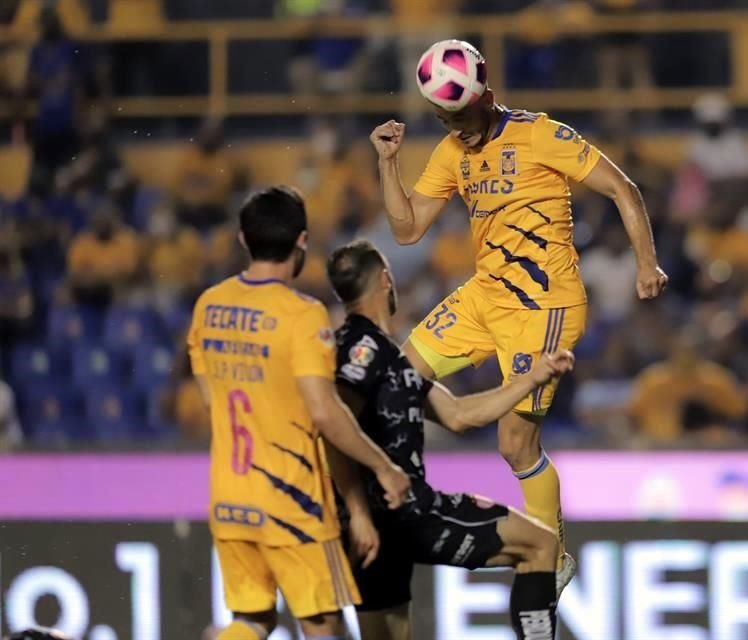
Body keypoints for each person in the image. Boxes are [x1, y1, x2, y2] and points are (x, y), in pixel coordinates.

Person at [369, 40, 668, 588]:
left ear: (487, 95)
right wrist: (388, 163)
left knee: (514, 445)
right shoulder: (451, 153)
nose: (455, 127)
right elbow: (408, 229)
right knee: (395, 380)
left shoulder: (540, 134)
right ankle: (400, 503)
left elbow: (621, 188)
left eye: (461, 114)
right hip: (485, 295)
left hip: (544, 305)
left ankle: (552, 557)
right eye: (444, 117)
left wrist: (646, 264)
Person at [186, 187, 411, 640]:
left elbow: (212, 401)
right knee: (324, 627)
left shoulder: (209, 306)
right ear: (302, 240)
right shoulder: (302, 316)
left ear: (244, 240)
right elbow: (325, 415)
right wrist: (383, 468)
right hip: (293, 501)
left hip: (230, 497)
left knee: (253, 621)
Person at [327, 239, 573, 640]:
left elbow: (459, 415)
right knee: (540, 544)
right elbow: (333, 423)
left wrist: (530, 379)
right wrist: (359, 505)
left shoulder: (388, 356)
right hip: (399, 513)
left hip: (383, 522)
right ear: (386, 282)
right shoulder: (362, 350)